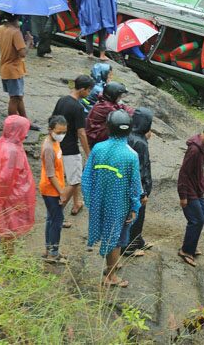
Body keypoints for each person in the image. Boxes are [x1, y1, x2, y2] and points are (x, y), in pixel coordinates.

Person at [82, 110, 142, 288]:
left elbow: (87, 177)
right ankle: (111, 276)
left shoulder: (98, 148)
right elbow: (134, 186)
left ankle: (111, 265)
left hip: (99, 201)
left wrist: (91, 200)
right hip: (119, 206)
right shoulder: (131, 155)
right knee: (116, 239)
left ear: (109, 127)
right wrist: (134, 207)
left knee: (110, 236)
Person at [0, 115, 35, 257]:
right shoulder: (12, 151)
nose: (26, 133)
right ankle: (8, 258)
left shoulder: (0, 142)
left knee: (1, 219)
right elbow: (6, 177)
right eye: (25, 130)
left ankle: (1, 241)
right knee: (9, 227)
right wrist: (1, 196)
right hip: (9, 194)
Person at [177, 120, 204, 267]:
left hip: (197, 189)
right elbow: (183, 173)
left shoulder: (203, 144)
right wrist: (183, 196)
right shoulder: (194, 150)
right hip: (189, 191)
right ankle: (186, 251)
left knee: (202, 217)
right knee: (196, 220)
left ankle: (191, 245)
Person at [52, 75, 94, 219]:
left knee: (72, 176)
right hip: (70, 149)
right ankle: (57, 213)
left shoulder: (61, 100)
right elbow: (81, 133)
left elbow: (53, 121)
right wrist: (88, 153)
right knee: (75, 180)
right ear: (82, 89)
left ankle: (77, 203)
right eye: (88, 90)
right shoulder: (78, 108)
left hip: (58, 145)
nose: (89, 93)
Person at [39, 115, 68, 265]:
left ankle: (48, 250)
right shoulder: (49, 147)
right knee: (57, 221)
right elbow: (50, 174)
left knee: (51, 219)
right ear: (50, 130)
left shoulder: (55, 141)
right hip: (51, 189)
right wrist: (62, 193)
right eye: (59, 132)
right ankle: (53, 254)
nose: (62, 135)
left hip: (55, 187)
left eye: (64, 132)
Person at [125, 107, 154, 257]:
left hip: (129, 184)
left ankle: (138, 240)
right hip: (138, 187)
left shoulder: (129, 136)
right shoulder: (140, 143)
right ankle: (129, 247)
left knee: (134, 215)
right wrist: (143, 192)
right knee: (136, 215)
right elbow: (140, 170)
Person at [0, 12, 34, 120]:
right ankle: (12, 125)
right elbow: (22, 53)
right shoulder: (15, 32)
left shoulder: (1, 28)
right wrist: (28, 42)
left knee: (18, 97)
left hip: (5, 67)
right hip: (14, 70)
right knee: (14, 99)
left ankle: (25, 120)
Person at [85, 82, 131, 148]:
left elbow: (121, 107)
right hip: (95, 137)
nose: (120, 97)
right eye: (119, 96)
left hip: (94, 134)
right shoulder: (107, 107)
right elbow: (121, 114)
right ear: (113, 95)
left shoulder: (104, 101)